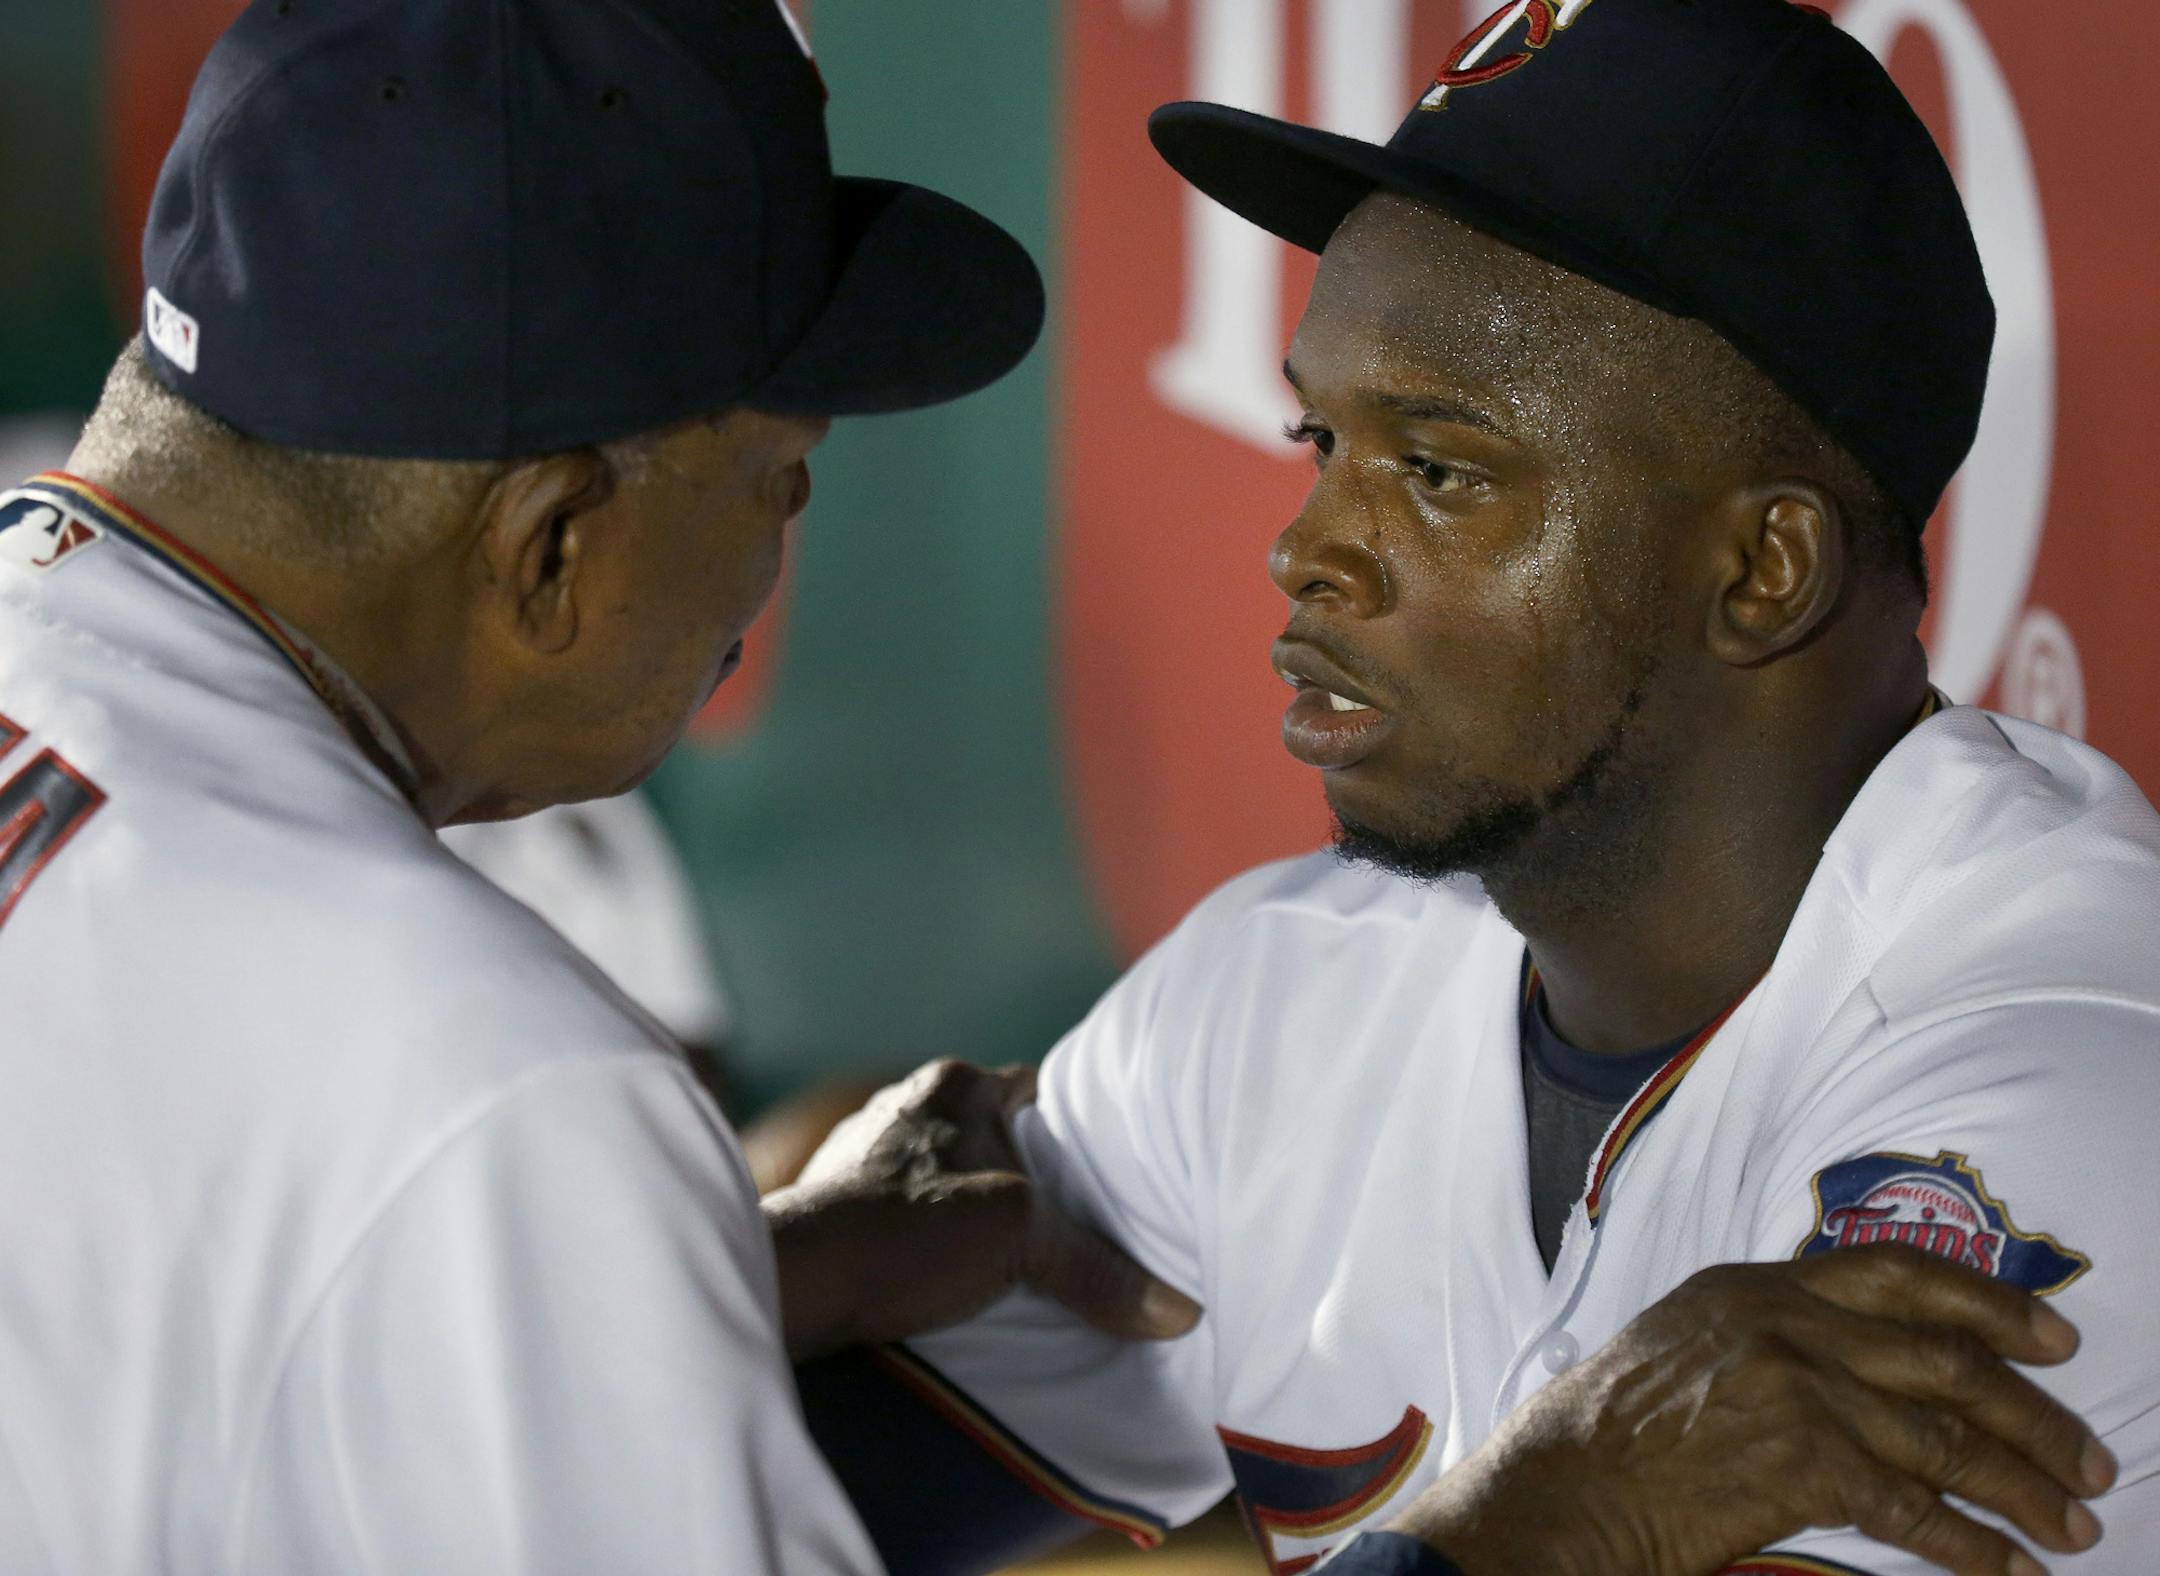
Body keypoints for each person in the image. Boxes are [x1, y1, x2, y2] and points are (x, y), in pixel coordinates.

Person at [775, 2, 2160, 1572]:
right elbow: (656, 1508)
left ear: (1764, 569)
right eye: (1321, 438)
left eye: (1438, 470)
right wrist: (780, 1269)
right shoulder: (1283, 990)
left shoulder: (2059, 1095)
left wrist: (1558, 1515)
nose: (1309, 547)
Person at [0, 1, 1190, 1570]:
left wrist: (666, 1284)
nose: (781, 544)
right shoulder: (487, 1082)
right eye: (780, 475)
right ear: (553, 546)